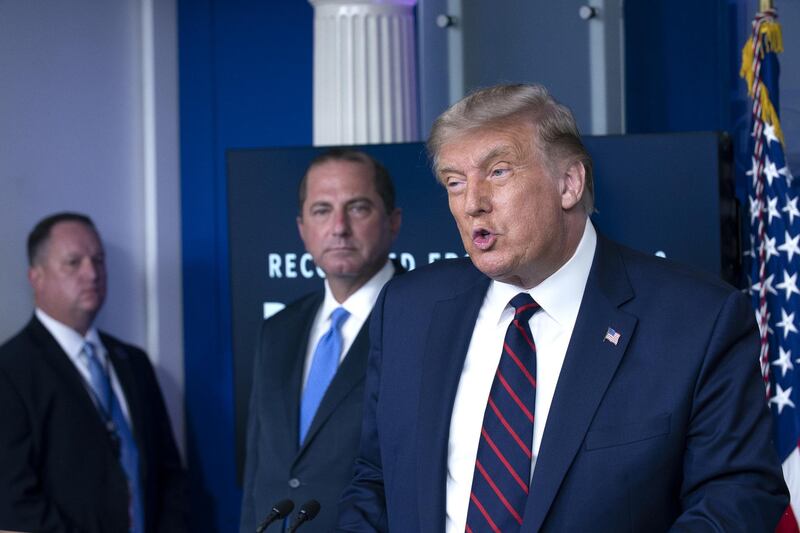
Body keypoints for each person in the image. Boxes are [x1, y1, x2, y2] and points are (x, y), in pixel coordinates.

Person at [336, 84, 789, 532]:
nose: (473, 203)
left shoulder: (697, 319)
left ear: (569, 183)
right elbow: (375, 482)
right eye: (455, 182)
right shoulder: (407, 309)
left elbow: (736, 497)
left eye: (498, 172)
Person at [239, 149, 403, 532]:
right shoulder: (278, 328)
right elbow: (258, 471)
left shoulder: (424, 319)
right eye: (322, 210)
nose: (339, 227)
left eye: (358, 208)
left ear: (393, 222)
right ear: (302, 228)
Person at [0, 212, 186, 532]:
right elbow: (14, 498)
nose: (92, 273)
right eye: (73, 262)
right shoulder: (10, 369)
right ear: (37, 276)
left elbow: (168, 475)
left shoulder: (134, 363)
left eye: (98, 260)